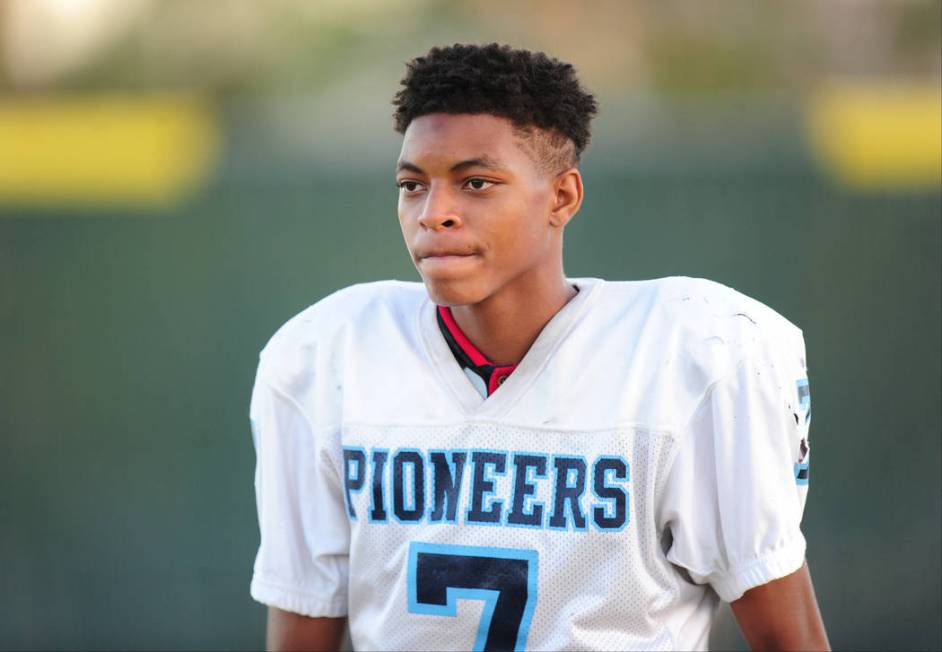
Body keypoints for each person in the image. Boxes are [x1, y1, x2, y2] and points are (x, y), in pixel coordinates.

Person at [249, 43, 829, 651]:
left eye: (476, 182)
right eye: (412, 185)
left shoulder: (699, 355)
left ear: (562, 197)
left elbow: (790, 641)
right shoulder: (327, 358)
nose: (435, 213)